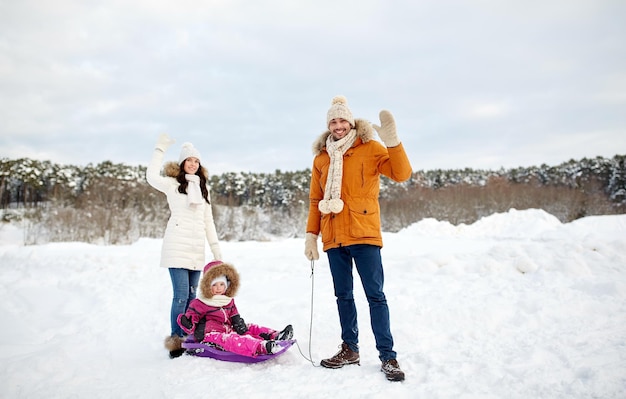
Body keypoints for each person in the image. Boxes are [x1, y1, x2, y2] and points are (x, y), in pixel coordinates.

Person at [304, 95, 412, 381]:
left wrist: (392, 141)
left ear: (351, 122)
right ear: (328, 125)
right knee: (343, 296)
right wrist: (310, 237)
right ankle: (349, 349)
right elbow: (316, 199)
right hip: (333, 236)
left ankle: (388, 357)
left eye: (342, 120)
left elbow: (402, 174)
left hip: (364, 233)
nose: (338, 126)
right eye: (333, 121)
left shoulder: (371, 148)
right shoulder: (321, 157)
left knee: (375, 296)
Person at [146, 133, 223, 359]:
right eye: (189, 160)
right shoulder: (172, 185)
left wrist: (217, 250)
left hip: (195, 250)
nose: (193, 164)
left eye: (196, 161)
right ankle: (176, 339)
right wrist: (160, 148)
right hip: (176, 247)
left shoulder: (203, 189)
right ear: (182, 164)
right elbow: (151, 176)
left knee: (192, 297)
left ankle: (189, 337)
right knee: (180, 295)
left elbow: (208, 222)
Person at [177, 260, 294, 357]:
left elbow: (234, 314)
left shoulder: (228, 300)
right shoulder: (200, 302)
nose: (219, 289)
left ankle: (276, 335)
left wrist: (239, 325)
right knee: (232, 339)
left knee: (249, 327)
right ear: (207, 286)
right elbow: (191, 324)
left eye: (222, 284)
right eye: (214, 285)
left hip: (227, 328)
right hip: (209, 335)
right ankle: (263, 347)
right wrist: (187, 324)